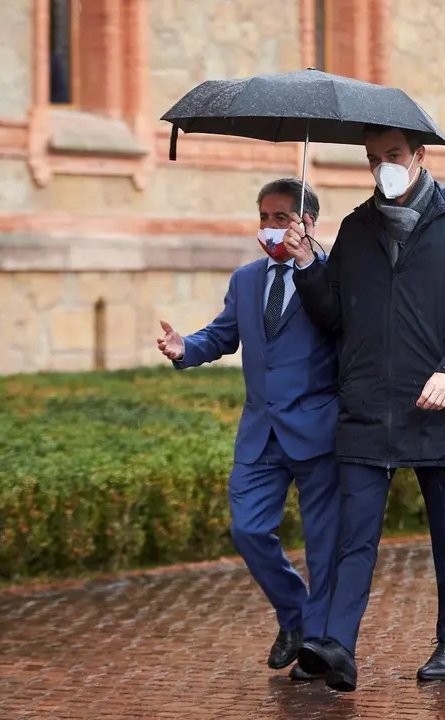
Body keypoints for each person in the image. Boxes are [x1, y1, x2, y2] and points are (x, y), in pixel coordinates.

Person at [282, 125, 445, 691]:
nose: (384, 165)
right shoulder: (355, 229)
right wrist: (308, 263)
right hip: (367, 405)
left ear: (419, 156)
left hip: (438, 406)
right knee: (353, 536)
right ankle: (336, 647)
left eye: (394, 155)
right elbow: (334, 315)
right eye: (374, 158)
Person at [157, 178, 341, 682]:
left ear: (307, 222)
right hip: (260, 432)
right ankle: (295, 615)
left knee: (324, 546)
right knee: (248, 529)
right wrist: (185, 348)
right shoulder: (245, 280)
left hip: (318, 431)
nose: (269, 226)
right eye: (263, 216)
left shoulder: (334, 277)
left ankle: (320, 645)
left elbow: (344, 331)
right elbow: (222, 335)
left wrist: (308, 267)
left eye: (280, 217)